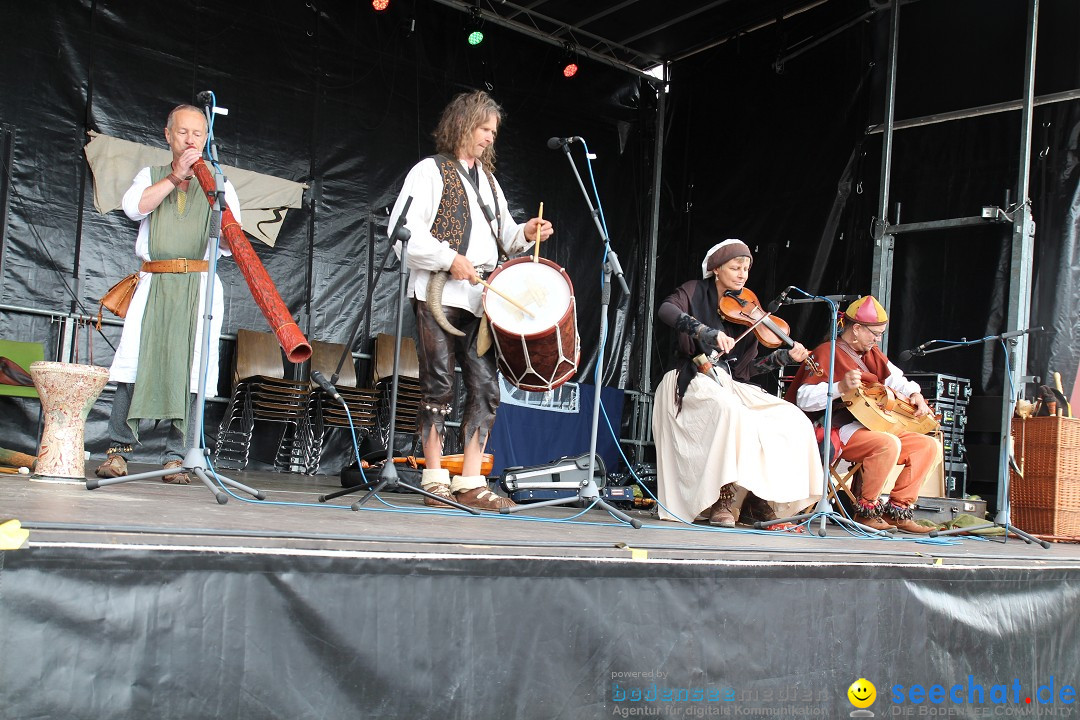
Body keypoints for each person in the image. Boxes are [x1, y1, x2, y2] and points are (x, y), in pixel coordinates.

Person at [388, 90, 553, 510]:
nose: (488, 139)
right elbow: (402, 233)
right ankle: (433, 477)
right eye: (483, 129)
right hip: (437, 291)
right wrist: (449, 259)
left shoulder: (490, 182)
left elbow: (504, 238)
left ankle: (470, 482)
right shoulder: (429, 171)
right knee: (438, 383)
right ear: (462, 125)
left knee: (484, 388)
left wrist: (525, 234)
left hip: (481, 299)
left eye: (492, 132)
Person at [94, 104, 238, 484]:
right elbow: (133, 208)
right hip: (155, 281)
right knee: (133, 364)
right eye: (183, 132)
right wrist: (176, 177)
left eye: (198, 134)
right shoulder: (152, 175)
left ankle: (178, 456)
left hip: (201, 286)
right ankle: (118, 453)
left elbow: (230, 242)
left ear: (206, 138)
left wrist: (215, 200)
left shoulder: (222, 182)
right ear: (168, 135)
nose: (191, 140)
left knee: (193, 370)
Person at [652, 239, 823, 527]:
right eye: (735, 267)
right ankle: (723, 498)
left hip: (728, 383)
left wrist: (782, 357)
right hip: (691, 376)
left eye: (746, 268)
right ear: (716, 270)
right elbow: (666, 311)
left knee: (791, 418)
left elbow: (749, 370)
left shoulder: (747, 312)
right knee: (732, 411)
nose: (742, 273)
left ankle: (758, 498)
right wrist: (705, 332)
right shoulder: (694, 290)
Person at [784, 296, 938, 533]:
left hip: (869, 426)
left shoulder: (873, 354)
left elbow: (898, 380)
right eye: (875, 333)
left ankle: (898, 510)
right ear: (856, 328)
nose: (878, 339)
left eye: (880, 334)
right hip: (835, 428)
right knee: (888, 443)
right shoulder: (827, 351)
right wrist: (839, 388)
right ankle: (866, 511)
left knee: (926, 446)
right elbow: (803, 397)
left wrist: (916, 394)